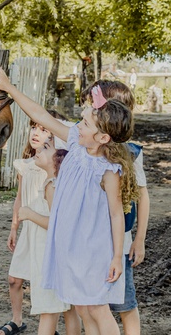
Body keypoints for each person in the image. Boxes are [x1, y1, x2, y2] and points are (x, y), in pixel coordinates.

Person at [0, 62, 140, 335]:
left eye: (85, 123)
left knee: (97, 309)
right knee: (81, 307)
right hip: (70, 245)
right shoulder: (74, 142)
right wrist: (9, 88)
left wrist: (117, 256)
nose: (78, 125)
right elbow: (40, 114)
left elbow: (117, 215)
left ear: (103, 137)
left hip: (93, 249)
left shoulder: (108, 170)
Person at [0, 119, 80, 335]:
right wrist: (15, 227)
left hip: (46, 234)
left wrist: (31, 215)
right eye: (34, 127)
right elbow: (20, 198)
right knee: (16, 279)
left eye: (44, 131)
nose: (36, 133)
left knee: (56, 303)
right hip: (31, 231)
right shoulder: (27, 165)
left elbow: (57, 220)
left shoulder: (52, 175)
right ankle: (19, 320)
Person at [84, 80, 150, 335]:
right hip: (89, 239)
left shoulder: (132, 153)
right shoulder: (84, 148)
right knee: (90, 305)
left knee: (124, 302)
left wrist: (140, 239)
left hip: (118, 241)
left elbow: (142, 196)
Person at [17, 134, 81, 335]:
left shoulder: (52, 185)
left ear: (59, 158)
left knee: (48, 310)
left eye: (46, 147)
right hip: (58, 256)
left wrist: (29, 213)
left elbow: (57, 224)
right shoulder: (55, 183)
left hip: (48, 258)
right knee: (70, 309)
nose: (39, 150)